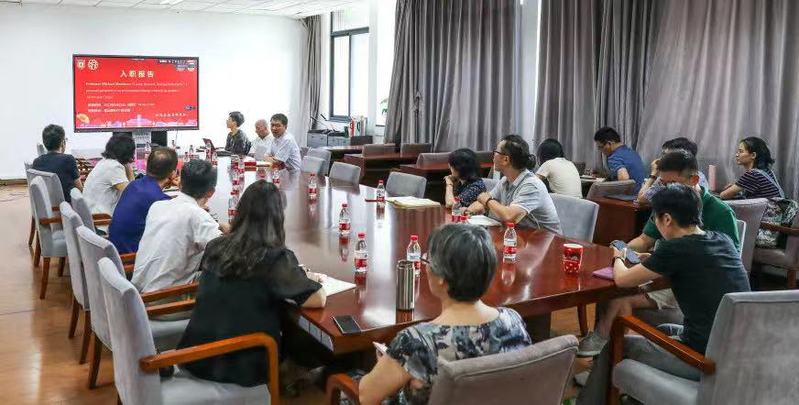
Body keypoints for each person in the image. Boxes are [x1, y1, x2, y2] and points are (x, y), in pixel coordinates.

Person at [576, 184, 750, 405]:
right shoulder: (721, 239)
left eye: (654, 218)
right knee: (664, 330)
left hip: (704, 360)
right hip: (736, 354)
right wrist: (652, 259)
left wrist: (618, 256)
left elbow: (622, 280)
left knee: (619, 343)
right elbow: (693, 262)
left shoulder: (675, 248)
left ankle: (588, 401)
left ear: (667, 219)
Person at [577, 150, 740, 357]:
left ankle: (605, 350)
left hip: (699, 332)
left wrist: (619, 255)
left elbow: (624, 279)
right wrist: (630, 251)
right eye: (663, 184)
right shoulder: (706, 233)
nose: (666, 189)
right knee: (613, 290)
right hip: (729, 340)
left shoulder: (714, 215)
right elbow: (646, 240)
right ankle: (605, 351)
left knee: (619, 303)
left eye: (671, 183)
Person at [356, 223, 532, 404]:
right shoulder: (512, 321)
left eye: (428, 260)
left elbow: (366, 396)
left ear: (441, 277)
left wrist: (390, 365)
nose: (426, 267)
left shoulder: (416, 341)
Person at [177, 180, 327, 387]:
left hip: (198, 355)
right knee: (303, 335)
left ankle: (292, 370)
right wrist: (309, 278)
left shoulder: (215, 246)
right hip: (240, 366)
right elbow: (317, 299)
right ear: (278, 217)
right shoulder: (274, 257)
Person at [132, 159, 229, 293]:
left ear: (180, 184)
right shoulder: (198, 216)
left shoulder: (157, 206)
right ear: (211, 192)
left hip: (137, 293)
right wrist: (231, 232)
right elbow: (229, 253)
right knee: (231, 278)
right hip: (164, 299)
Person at [468, 135, 562, 234]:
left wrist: (487, 201)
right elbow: (483, 201)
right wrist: (469, 210)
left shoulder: (531, 185)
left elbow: (510, 217)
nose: (493, 155)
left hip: (548, 240)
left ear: (506, 160)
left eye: (496, 152)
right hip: (521, 236)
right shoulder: (505, 180)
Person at [108, 147, 178, 254]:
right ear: (173, 174)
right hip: (131, 258)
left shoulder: (134, 184)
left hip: (116, 252)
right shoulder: (160, 201)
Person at [637, 137, 710, 203]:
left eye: (667, 156)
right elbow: (641, 198)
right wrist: (653, 174)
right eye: (662, 155)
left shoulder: (695, 178)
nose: (661, 159)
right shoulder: (665, 178)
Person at [82, 133, 135, 215]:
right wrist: (129, 167)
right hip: (101, 219)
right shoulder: (114, 167)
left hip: (91, 214)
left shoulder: (105, 162)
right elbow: (131, 193)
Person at [720, 136, 784, 200]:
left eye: (741, 151)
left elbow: (723, 195)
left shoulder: (752, 174)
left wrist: (731, 190)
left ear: (753, 155)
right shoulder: (767, 171)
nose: (736, 155)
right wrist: (737, 189)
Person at [31, 124, 82, 202]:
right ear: (62, 142)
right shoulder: (68, 159)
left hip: (46, 204)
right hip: (68, 206)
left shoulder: (36, 162)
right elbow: (79, 188)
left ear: (44, 143)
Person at [593, 127, 646, 193]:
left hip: (628, 197)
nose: (600, 150)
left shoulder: (614, 157)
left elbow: (624, 181)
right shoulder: (633, 153)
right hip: (640, 194)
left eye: (600, 147)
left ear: (609, 144)